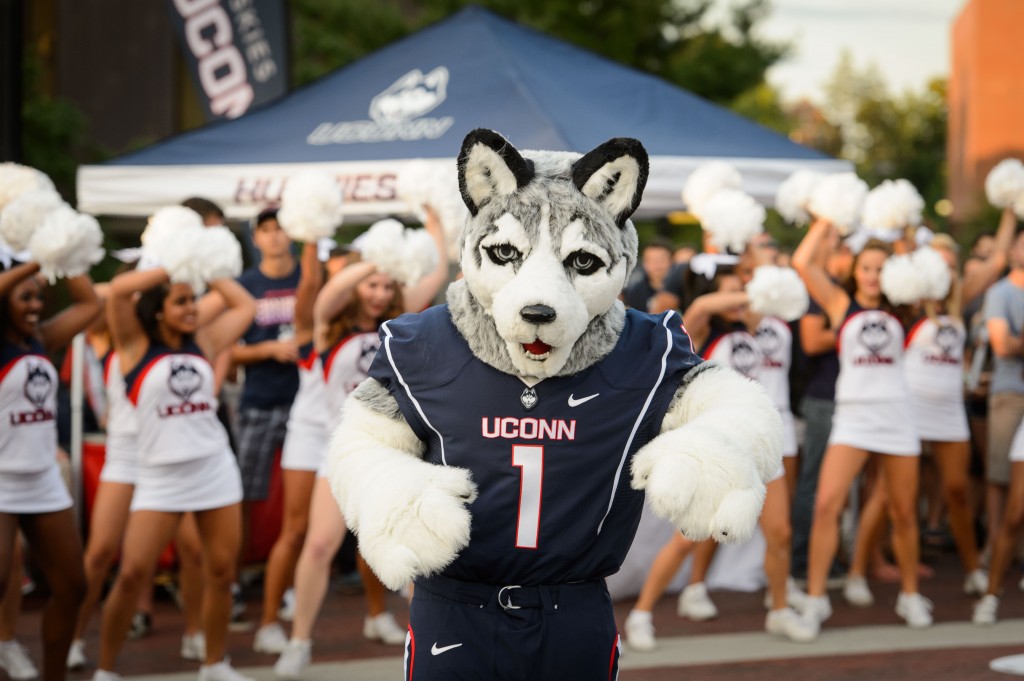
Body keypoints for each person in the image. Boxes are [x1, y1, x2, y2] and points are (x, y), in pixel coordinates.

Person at [275, 218, 447, 680]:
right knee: (318, 545)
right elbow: (330, 293)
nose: (377, 292)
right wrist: (379, 258)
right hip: (341, 449)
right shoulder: (329, 327)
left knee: (411, 549)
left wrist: (433, 221)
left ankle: (429, 645)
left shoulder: (400, 324)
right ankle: (299, 642)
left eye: (386, 286)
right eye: (370, 284)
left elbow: (435, 271)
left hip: (391, 450)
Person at [623, 262, 813, 649]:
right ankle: (641, 615)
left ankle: (779, 611)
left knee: (780, 533)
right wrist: (749, 292)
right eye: (730, 293)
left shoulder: (753, 327)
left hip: (758, 443)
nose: (738, 302)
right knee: (687, 539)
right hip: (718, 447)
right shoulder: (702, 328)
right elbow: (704, 305)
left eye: (740, 293)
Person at [92, 266, 256, 681]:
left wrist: (202, 264)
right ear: (158, 310)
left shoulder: (203, 340)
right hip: (160, 476)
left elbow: (245, 305)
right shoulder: (132, 346)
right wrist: (170, 262)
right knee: (131, 575)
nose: (192, 308)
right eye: (180, 301)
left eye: (192, 299)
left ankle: (214, 663)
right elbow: (118, 292)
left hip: (214, 469)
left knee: (220, 572)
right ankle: (106, 670)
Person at [793, 220, 931, 636]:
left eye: (880, 268)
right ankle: (816, 599)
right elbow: (802, 262)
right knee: (826, 504)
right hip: (851, 416)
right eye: (866, 268)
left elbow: (929, 273)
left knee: (904, 513)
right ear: (856, 271)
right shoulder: (840, 304)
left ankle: (909, 595)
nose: (872, 276)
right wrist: (825, 217)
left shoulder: (905, 307)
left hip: (897, 415)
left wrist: (904, 232)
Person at [69, 279, 207, 669]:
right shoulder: (116, 339)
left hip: (164, 455)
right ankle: (74, 638)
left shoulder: (170, 343)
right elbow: (103, 295)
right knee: (98, 555)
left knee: (193, 552)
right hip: (126, 455)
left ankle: (195, 635)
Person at [0, 259, 100, 681]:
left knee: (72, 587)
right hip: (1, 481)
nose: (36, 305)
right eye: (25, 297)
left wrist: (59, 247)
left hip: (42, 479)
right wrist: (34, 261)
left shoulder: (40, 340)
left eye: (40, 296)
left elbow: (89, 301)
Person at [253, 241, 347, 653]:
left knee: (357, 535)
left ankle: (379, 616)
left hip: (347, 433)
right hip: (308, 433)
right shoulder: (317, 322)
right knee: (294, 530)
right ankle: (269, 621)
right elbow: (310, 282)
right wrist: (311, 234)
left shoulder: (377, 321)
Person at [231, 207, 301, 615]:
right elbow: (224, 349)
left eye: (280, 228)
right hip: (258, 402)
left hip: (304, 403)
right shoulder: (245, 285)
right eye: (266, 230)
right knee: (243, 497)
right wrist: (268, 349)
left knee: (301, 502)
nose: (274, 237)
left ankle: (292, 584)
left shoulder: (310, 279)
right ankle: (233, 582)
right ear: (255, 238)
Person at [980, 225, 1024, 568]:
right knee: (999, 474)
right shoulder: (1000, 292)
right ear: (1012, 252)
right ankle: (995, 546)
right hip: (1010, 393)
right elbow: (1002, 345)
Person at [622, 238, 673, 311]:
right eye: (652, 260)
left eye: (662, 259)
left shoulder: (683, 288)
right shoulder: (635, 292)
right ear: (644, 264)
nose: (657, 264)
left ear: (672, 261)